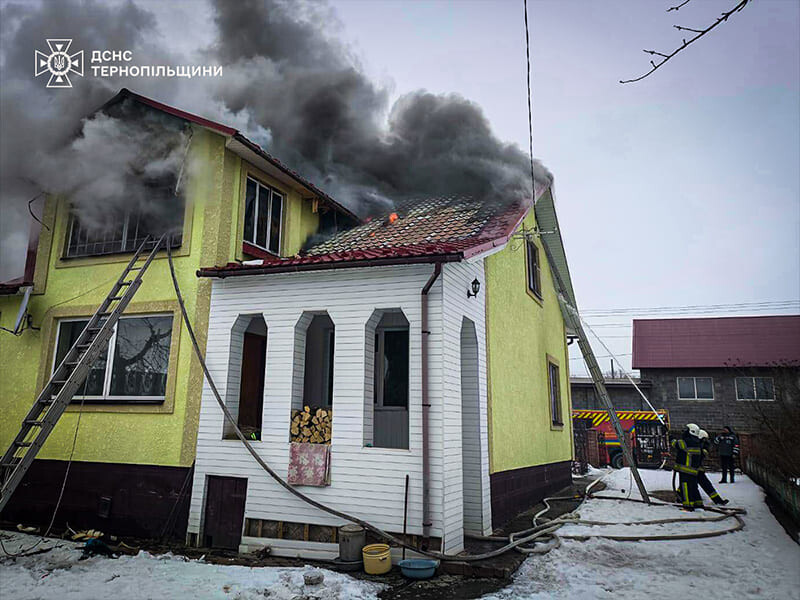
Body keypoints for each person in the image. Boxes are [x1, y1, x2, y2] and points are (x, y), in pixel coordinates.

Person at [672, 423, 704, 510]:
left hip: (685, 470)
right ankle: (698, 503)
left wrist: (670, 437)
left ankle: (688, 505)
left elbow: (675, 444)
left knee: (685, 487)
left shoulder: (686, 442)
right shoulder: (697, 442)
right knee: (693, 487)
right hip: (693, 470)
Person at [697, 429, 729, 505]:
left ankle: (718, 500)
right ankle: (717, 500)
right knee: (689, 485)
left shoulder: (700, 446)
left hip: (697, 470)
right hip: (693, 470)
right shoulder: (697, 445)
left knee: (707, 485)